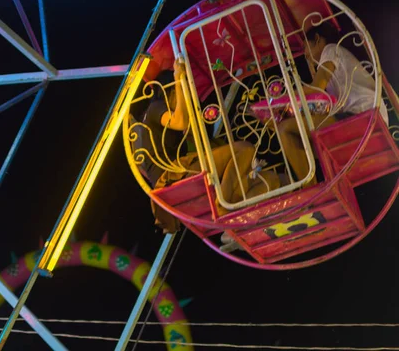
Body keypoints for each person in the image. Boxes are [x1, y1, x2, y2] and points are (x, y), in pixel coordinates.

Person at [134, 60, 280, 233]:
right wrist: (179, 79)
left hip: (182, 169)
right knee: (245, 149)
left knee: (271, 180)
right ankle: (224, 207)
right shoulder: (154, 108)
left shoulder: (162, 119)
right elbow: (180, 121)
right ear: (170, 91)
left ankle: (236, 224)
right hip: (171, 177)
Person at [277, 22, 389, 185]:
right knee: (300, 140)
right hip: (363, 119)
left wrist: (280, 99)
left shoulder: (330, 49)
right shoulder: (336, 70)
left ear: (317, 39)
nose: (305, 55)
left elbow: (316, 89)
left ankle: (310, 189)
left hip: (365, 117)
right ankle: (311, 188)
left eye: (305, 48)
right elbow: (318, 107)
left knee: (286, 129)